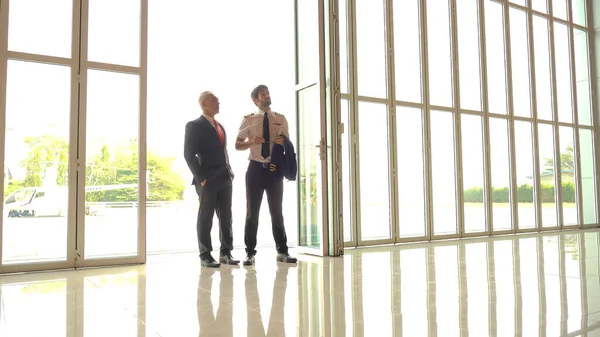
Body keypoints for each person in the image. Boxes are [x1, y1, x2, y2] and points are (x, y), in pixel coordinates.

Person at [235, 84, 297, 266]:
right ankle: (249, 253)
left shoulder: (281, 118)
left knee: (277, 212)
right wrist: (251, 142)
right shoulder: (248, 120)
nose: (267, 96)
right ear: (256, 100)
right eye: (264, 94)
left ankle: (282, 251)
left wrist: (283, 140)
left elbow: (288, 143)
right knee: (251, 213)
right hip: (255, 170)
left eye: (268, 93)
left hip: (274, 169)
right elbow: (237, 145)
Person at [184, 91, 239, 268]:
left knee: (226, 216)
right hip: (207, 179)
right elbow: (188, 154)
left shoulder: (220, 126)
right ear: (204, 104)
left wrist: (230, 173)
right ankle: (205, 254)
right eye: (215, 100)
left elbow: (223, 152)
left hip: (225, 178)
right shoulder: (194, 125)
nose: (218, 102)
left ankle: (226, 252)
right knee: (206, 217)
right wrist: (201, 179)